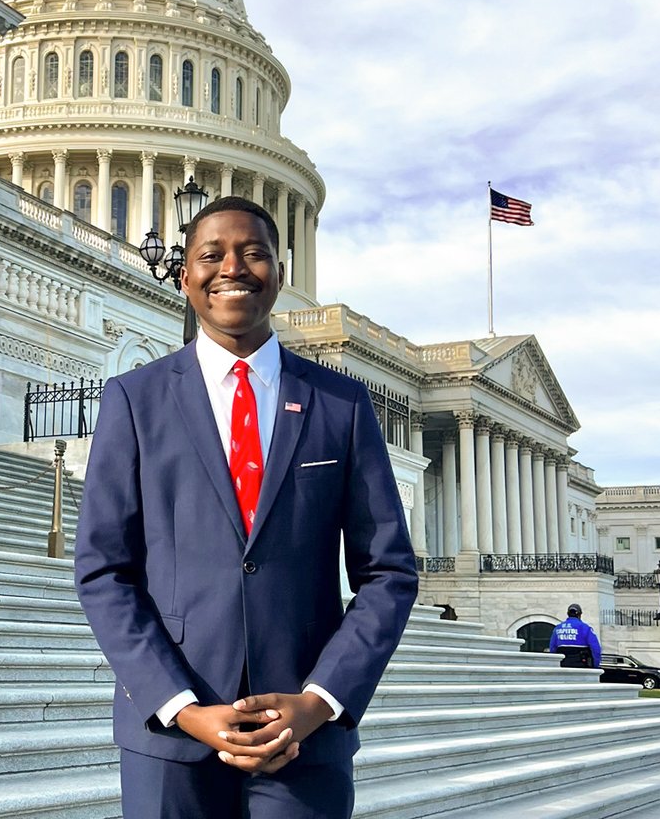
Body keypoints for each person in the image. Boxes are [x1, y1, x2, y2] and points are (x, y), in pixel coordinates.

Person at [75, 196, 418, 819]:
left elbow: (389, 572)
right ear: (185, 277)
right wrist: (182, 706)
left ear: (279, 275)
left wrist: (319, 701)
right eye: (211, 255)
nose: (232, 267)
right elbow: (104, 571)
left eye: (253, 253)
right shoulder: (134, 400)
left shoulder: (339, 404)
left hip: (301, 739)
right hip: (172, 738)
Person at [548, 603, 602, 669]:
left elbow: (552, 648)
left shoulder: (557, 628)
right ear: (579, 615)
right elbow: (596, 649)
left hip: (562, 666)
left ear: (568, 614)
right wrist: (595, 665)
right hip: (581, 666)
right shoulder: (586, 628)